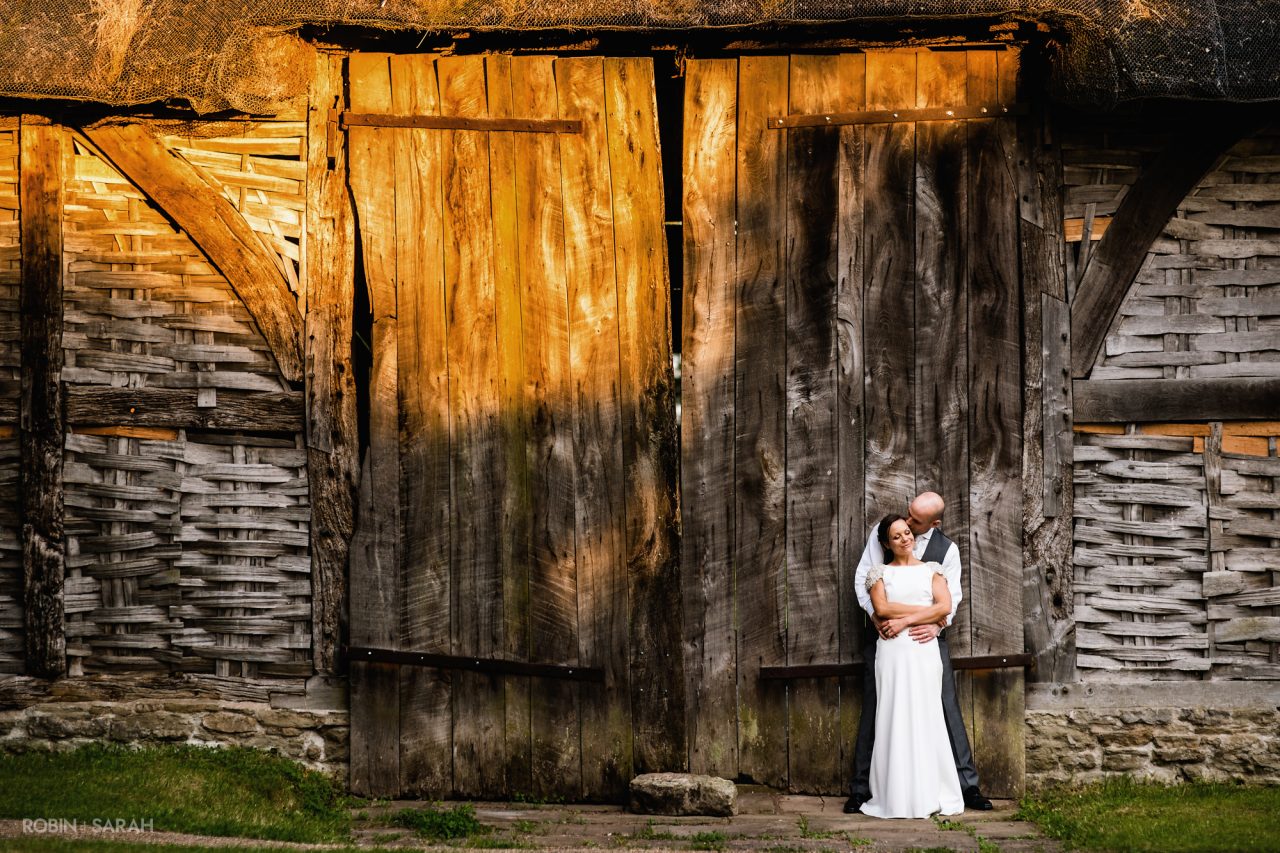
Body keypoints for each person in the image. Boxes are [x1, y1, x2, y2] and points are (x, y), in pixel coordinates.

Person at [843, 491, 993, 814]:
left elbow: (951, 598)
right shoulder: (884, 533)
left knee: (945, 707)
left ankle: (967, 786)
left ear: (934, 524)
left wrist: (935, 627)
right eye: (908, 514)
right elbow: (863, 578)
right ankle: (861, 788)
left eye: (915, 521)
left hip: (929, 638)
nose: (908, 523)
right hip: (887, 638)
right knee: (877, 707)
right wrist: (877, 617)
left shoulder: (947, 551)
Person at [856, 514, 963, 818]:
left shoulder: (933, 570)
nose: (905, 539)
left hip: (923, 650)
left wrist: (905, 620)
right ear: (886, 544)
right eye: (896, 536)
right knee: (893, 714)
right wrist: (925, 610)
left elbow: (945, 606)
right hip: (892, 651)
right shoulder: (879, 574)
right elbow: (882, 608)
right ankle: (895, 794)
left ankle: (931, 790)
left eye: (907, 532)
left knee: (926, 714)